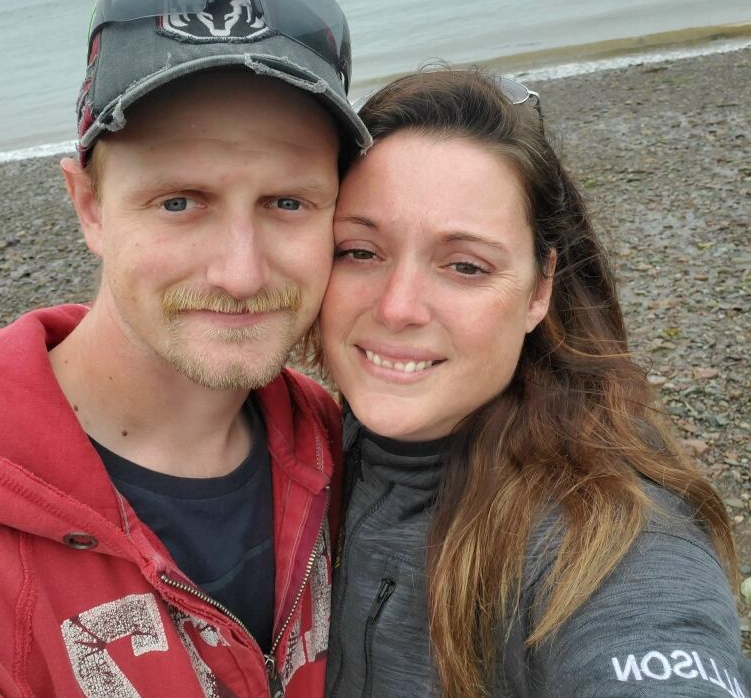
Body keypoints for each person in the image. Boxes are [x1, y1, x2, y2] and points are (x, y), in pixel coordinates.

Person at [0, 0, 371, 698]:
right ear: (89, 204)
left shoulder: (351, 450)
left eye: (288, 203)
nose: (240, 273)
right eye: (179, 201)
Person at [319, 69, 750, 697]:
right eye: (360, 251)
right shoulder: (299, 447)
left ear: (539, 288)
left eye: (466, 266)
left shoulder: (610, 535)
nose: (397, 308)